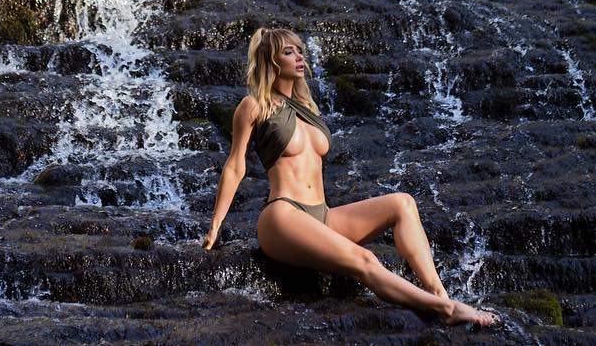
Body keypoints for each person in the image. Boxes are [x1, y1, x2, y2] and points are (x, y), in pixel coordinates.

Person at [202, 26, 500, 329]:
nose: (299, 56)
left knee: (403, 203)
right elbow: (235, 166)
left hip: (323, 216)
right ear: (271, 61)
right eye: (288, 52)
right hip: (283, 215)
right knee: (366, 261)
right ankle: (447, 309)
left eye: (300, 50)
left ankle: (439, 294)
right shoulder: (254, 105)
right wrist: (215, 226)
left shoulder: (307, 108)